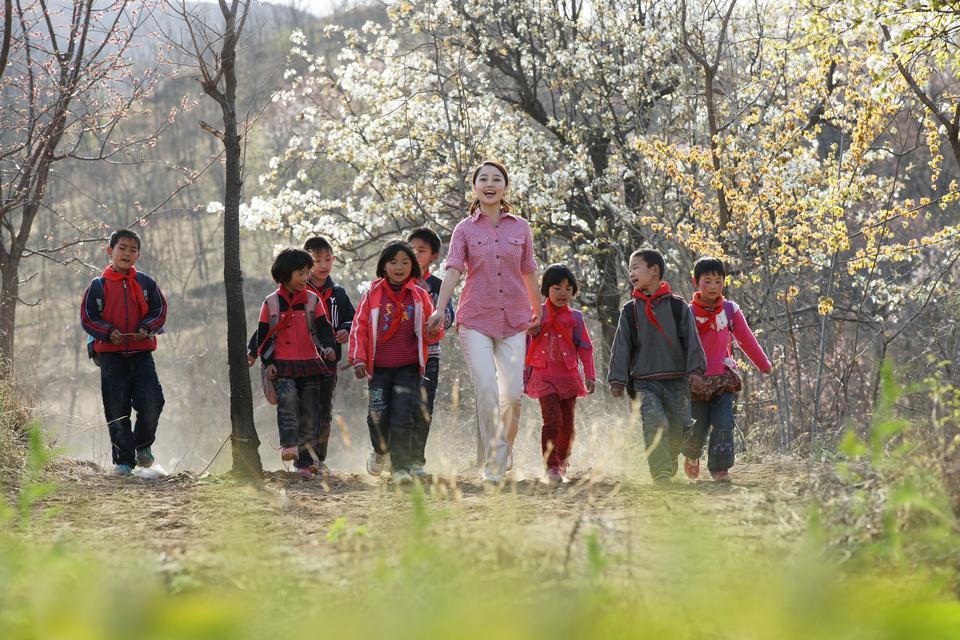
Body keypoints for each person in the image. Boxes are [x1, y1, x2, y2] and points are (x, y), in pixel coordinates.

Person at [426, 160, 541, 484]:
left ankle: (504, 448)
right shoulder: (465, 229)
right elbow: (452, 270)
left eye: (496, 179)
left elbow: (528, 270)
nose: (490, 184)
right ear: (475, 187)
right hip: (475, 317)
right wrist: (439, 308)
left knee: (513, 394)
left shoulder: (521, 227)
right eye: (483, 179)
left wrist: (538, 309)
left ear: (505, 186)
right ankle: (494, 461)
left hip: (515, 318)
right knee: (487, 389)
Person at [607, 249, 706, 484]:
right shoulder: (630, 311)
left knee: (680, 427)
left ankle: (669, 459)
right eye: (629, 269)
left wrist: (695, 370)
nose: (631, 273)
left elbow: (692, 339)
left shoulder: (678, 307)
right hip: (644, 381)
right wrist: (617, 379)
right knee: (655, 422)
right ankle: (660, 472)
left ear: (654, 271)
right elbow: (621, 346)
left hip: (678, 381)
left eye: (636, 267)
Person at [348, 240, 441, 486]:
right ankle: (381, 451)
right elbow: (359, 327)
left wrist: (433, 329)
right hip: (378, 369)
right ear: (384, 265)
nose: (399, 267)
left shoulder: (420, 295)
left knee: (403, 416)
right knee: (376, 415)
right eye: (393, 262)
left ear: (413, 266)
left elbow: (432, 331)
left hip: (408, 369)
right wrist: (358, 358)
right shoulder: (373, 294)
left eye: (405, 262)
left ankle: (400, 469)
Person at [81, 229, 168, 476]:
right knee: (117, 411)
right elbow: (88, 318)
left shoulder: (146, 283)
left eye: (132, 250)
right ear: (110, 251)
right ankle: (123, 463)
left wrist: (146, 328)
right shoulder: (97, 286)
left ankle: (143, 446)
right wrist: (109, 332)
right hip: (111, 357)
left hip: (142, 355)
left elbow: (159, 311)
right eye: (122, 248)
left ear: (138, 255)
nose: (127, 253)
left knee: (153, 401)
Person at [247, 248, 337, 478]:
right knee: (287, 404)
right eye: (301, 273)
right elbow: (263, 335)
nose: (306, 278)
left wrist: (329, 348)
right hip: (283, 364)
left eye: (308, 273)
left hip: (310, 364)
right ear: (285, 274)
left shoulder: (312, 300)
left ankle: (305, 463)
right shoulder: (271, 303)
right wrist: (267, 361)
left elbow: (325, 328)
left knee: (310, 413)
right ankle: (289, 445)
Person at [681, 257, 772, 482]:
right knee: (697, 428)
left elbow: (746, 339)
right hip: (697, 381)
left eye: (718, 282)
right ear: (696, 282)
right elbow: (678, 345)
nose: (713, 287)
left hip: (724, 379)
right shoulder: (687, 313)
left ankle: (720, 469)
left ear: (724, 282)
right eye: (707, 281)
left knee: (723, 423)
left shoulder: (730, 310)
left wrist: (763, 364)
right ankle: (692, 456)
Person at [524, 264, 595, 484]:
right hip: (543, 376)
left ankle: (562, 460)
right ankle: (551, 466)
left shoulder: (576, 318)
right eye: (557, 287)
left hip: (568, 377)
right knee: (552, 420)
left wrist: (590, 374)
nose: (563, 292)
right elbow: (523, 343)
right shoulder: (536, 314)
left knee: (568, 424)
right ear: (545, 289)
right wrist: (531, 330)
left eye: (567, 287)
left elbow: (585, 347)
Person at [298, 236, 356, 475]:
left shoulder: (338, 293)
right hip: (301, 360)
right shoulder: (299, 291)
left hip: (329, 364)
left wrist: (345, 329)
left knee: (324, 410)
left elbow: (353, 318)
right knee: (305, 409)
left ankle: (318, 460)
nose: (323, 265)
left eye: (328, 259)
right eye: (316, 260)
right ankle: (303, 460)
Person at [407, 227, 455, 480]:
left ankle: (417, 461)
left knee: (423, 409)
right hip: (398, 355)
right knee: (399, 407)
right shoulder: (396, 281)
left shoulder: (437, 285)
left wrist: (436, 317)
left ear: (434, 256)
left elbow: (450, 316)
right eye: (411, 250)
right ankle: (397, 457)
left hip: (429, 356)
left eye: (421, 251)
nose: (415, 255)